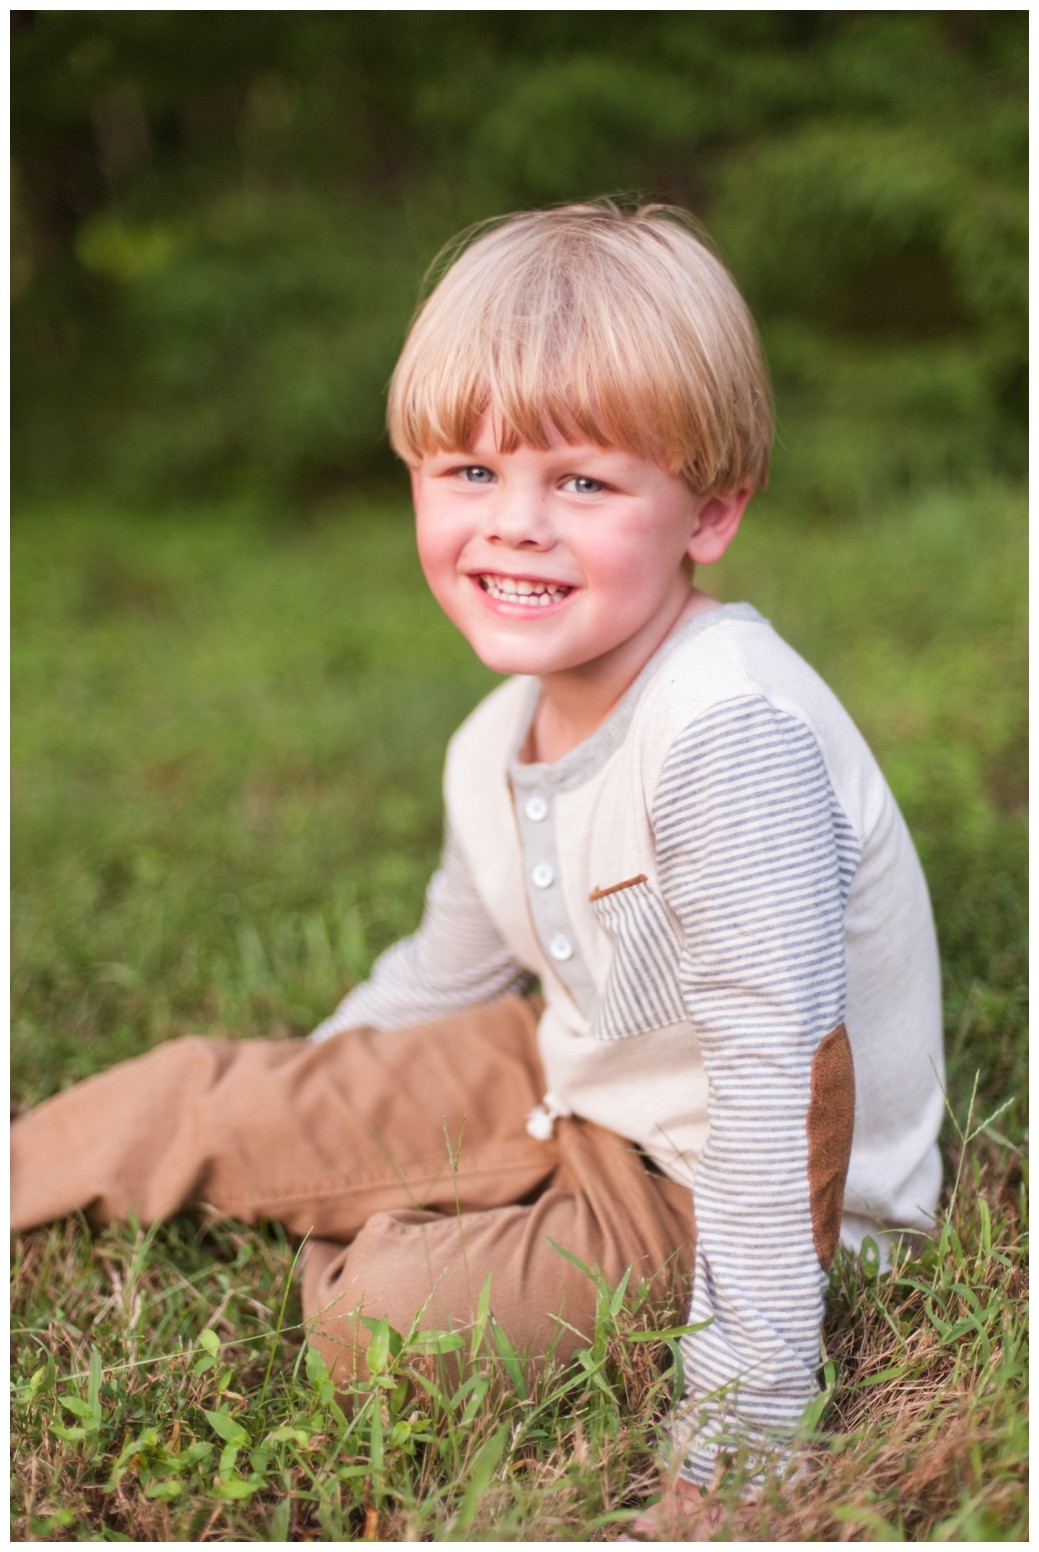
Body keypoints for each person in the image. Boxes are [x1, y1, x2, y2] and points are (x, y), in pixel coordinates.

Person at [11, 201, 945, 1532]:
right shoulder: (490, 737)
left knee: (390, 1327)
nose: (516, 526)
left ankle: (415, 1232)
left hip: (745, 1189)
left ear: (713, 510)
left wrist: (748, 1408)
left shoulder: (729, 730)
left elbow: (774, 1084)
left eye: (583, 481)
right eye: (466, 473)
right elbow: (445, 972)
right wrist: (316, 1096)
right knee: (205, 1096)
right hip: (574, 1072)